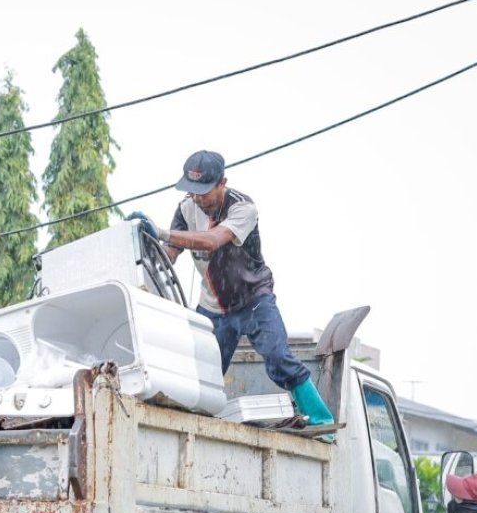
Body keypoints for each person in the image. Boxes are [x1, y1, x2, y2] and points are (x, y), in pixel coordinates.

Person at [127, 150, 334, 431]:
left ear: (222, 182)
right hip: (213, 306)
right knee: (201, 371)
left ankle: (321, 420)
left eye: (205, 192)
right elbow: (171, 252)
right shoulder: (186, 208)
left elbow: (213, 240)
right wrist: (143, 245)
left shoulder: (243, 208)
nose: (199, 199)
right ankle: (191, 424)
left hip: (254, 299)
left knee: (277, 357)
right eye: (193, 192)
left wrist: (161, 231)